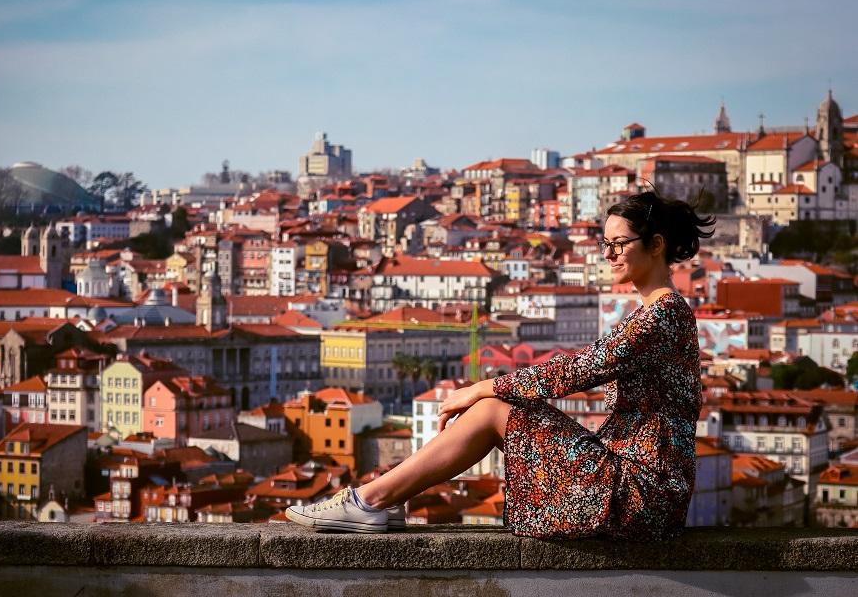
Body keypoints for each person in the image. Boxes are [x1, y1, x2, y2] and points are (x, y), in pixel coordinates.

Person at [286, 191, 715, 539]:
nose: (609, 254)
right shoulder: (656, 312)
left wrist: (481, 388)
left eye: (619, 243)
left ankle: (371, 501)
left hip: (642, 493)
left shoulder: (664, 314)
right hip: (639, 485)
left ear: (656, 245)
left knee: (493, 408)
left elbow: (578, 371)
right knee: (501, 407)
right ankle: (383, 501)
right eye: (606, 244)